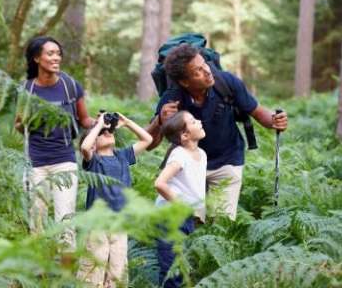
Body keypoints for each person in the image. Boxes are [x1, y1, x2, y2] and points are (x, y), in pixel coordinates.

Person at [147, 43, 288, 220]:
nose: (207, 71)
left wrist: (275, 120)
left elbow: (260, 114)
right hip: (189, 167)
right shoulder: (172, 98)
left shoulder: (226, 82)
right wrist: (160, 120)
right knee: (191, 223)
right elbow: (150, 145)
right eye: (198, 71)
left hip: (228, 160)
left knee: (223, 224)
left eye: (204, 64)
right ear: (184, 81)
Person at [15, 36, 94, 249]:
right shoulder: (26, 89)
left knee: (65, 222)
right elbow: (19, 124)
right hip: (35, 164)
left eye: (58, 53)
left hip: (65, 162)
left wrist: (101, 123)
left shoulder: (70, 86)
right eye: (50, 53)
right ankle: (37, 275)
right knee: (36, 222)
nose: (56, 57)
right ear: (36, 58)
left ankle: (65, 278)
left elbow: (84, 119)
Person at [77, 112, 153, 287]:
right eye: (102, 134)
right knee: (94, 267)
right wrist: (98, 125)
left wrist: (126, 122)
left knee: (118, 270)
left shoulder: (123, 156)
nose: (106, 132)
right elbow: (84, 148)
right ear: (94, 144)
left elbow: (147, 139)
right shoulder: (94, 160)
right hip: (98, 223)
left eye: (108, 131)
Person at [154, 111, 207, 288]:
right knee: (171, 269)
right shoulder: (179, 155)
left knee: (182, 267)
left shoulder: (201, 153)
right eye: (193, 121)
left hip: (186, 217)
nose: (199, 121)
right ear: (184, 135)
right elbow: (160, 183)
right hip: (170, 217)